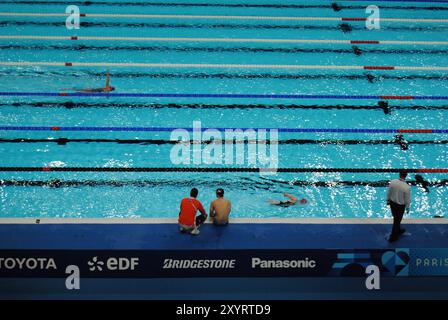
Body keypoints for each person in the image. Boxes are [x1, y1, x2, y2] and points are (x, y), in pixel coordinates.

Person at [387, 170, 411, 242]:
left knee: (396, 219)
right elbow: (407, 199)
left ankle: (398, 229)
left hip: (392, 204)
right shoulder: (406, 187)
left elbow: (389, 192)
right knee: (397, 221)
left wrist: (387, 200)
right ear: (406, 176)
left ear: (399, 174)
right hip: (400, 206)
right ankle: (393, 237)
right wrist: (407, 208)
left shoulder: (393, 182)